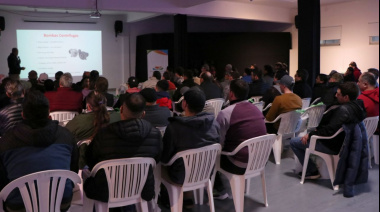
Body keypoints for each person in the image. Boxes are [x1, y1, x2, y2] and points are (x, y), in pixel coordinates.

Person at [0, 91, 79, 212]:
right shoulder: (66, 136)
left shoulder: (6, 141)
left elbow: (3, 180)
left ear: (23, 115)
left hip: (19, 207)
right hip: (60, 202)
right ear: (49, 114)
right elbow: (73, 170)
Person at [83, 93, 161, 204]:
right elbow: (156, 160)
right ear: (143, 114)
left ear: (121, 110)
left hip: (106, 190)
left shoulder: (104, 134)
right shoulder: (155, 134)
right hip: (141, 187)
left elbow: (90, 160)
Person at [290, 82, 366, 183]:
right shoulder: (358, 107)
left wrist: (311, 134)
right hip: (344, 144)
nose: (335, 95)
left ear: (346, 97)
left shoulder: (343, 110)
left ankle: (311, 171)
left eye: (338, 94)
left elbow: (329, 131)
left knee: (294, 142)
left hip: (331, 145)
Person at [214, 79, 267, 198]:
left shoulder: (225, 113)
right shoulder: (257, 110)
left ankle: (219, 190)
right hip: (260, 161)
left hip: (238, 163)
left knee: (210, 155)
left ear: (231, 94)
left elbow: (218, 143)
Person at [161, 88, 220, 185]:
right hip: (206, 172)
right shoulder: (214, 124)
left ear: (184, 104)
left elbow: (165, 158)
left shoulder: (174, 127)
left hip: (180, 176)